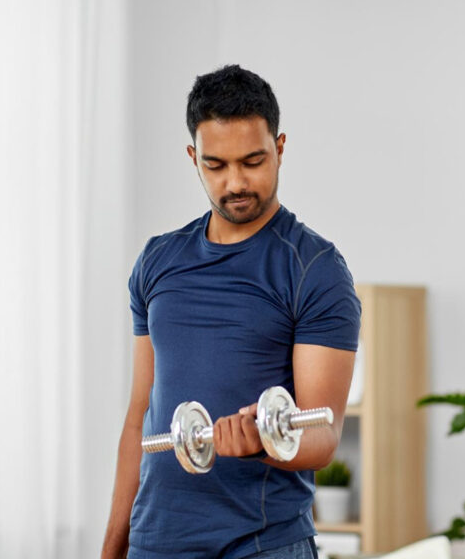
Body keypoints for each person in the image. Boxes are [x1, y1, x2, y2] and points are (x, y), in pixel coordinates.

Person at [101, 64, 361, 559]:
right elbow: (141, 419)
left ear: (279, 148)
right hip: (156, 542)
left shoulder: (314, 269)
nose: (236, 182)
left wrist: (264, 439)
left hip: (260, 544)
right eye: (216, 165)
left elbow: (323, 433)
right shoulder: (158, 262)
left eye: (253, 161)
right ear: (193, 157)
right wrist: (114, 546)